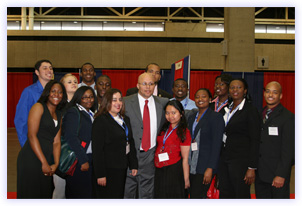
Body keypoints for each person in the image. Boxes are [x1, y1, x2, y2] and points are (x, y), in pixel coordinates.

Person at [17, 80, 67, 198]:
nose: (56, 94)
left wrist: (56, 163)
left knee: (45, 193)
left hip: (47, 158)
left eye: (60, 92)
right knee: (31, 194)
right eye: (53, 91)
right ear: (47, 93)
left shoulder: (59, 114)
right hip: (32, 158)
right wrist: (43, 162)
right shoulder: (38, 107)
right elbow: (31, 136)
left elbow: (56, 142)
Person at [123, 72, 169, 198]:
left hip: (150, 156)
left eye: (151, 84)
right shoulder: (125, 102)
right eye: (144, 84)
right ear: (137, 85)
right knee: (128, 192)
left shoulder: (163, 103)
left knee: (148, 194)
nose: (148, 87)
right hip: (130, 155)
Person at [218, 78, 261, 199]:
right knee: (225, 193)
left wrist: (252, 167)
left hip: (241, 162)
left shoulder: (250, 110)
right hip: (224, 159)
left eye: (239, 87)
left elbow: (255, 139)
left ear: (245, 91)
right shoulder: (225, 109)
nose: (235, 90)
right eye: (232, 87)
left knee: (240, 194)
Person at [92, 88, 138, 198]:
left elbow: (129, 141)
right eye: (114, 100)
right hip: (107, 170)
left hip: (121, 167)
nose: (118, 103)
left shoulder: (124, 119)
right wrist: (100, 174)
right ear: (107, 102)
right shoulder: (101, 120)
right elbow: (97, 150)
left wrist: (133, 164)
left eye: (120, 100)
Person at [255, 81, 295, 199]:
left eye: (274, 92)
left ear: (281, 96)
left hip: (277, 175)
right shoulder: (259, 114)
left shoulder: (288, 117)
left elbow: (289, 149)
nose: (270, 95)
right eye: (268, 91)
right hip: (260, 174)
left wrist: (281, 175)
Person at [187, 88, 224, 198]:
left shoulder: (216, 117)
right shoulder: (192, 117)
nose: (200, 99)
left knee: (198, 196)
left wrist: (210, 168)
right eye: (197, 97)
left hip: (204, 166)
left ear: (210, 99)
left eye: (203, 96)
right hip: (191, 164)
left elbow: (217, 145)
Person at [63, 86, 97, 198]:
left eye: (91, 97)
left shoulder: (91, 112)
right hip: (79, 160)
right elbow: (71, 137)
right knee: (80, 194)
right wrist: (83, 160)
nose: (89, 100)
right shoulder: (74, 112)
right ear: (78, 98)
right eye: (85, 97)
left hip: (90, 158)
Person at [154, 100, 191, 198]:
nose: (170, 116)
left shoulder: (184, 132)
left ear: (181, 113)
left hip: (174, 170)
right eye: (167, 113)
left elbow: (185, 158)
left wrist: (186, 178)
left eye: (174, 113)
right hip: (159, 169)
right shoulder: (164, 127)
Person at [51, 73, 78, 199]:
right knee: (60, 192)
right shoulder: (58, 107)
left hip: (79, 156)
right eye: (69, 82)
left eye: (75, 81)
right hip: (62, 155)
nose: (74, 83)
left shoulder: (83, 106)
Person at [14, 59, 54, 147]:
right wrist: (25, 145)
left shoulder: (55, 92)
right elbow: (21, 120)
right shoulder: (29, 92)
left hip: (52, 142)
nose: (49, 71)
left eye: (51, 68)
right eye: (45, 68)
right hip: (36, 142)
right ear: (37, 72)